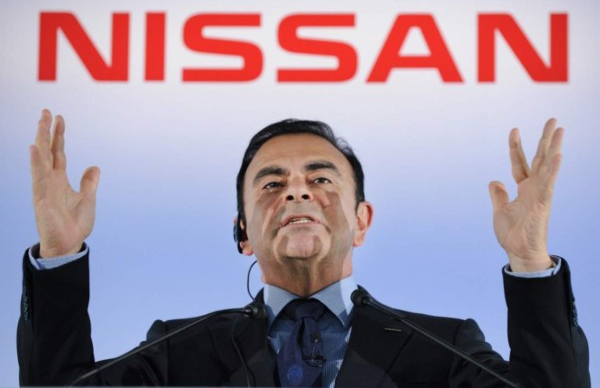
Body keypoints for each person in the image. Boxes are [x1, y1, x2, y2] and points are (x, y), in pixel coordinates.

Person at [18, 109, 590, 387]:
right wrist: (60, 255)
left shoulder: (443, 347)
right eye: (271, 184)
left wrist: (530, 261)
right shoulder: (178, 350)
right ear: (243, 234)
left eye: (321, 178)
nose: (297, 190)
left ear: (361, 222)